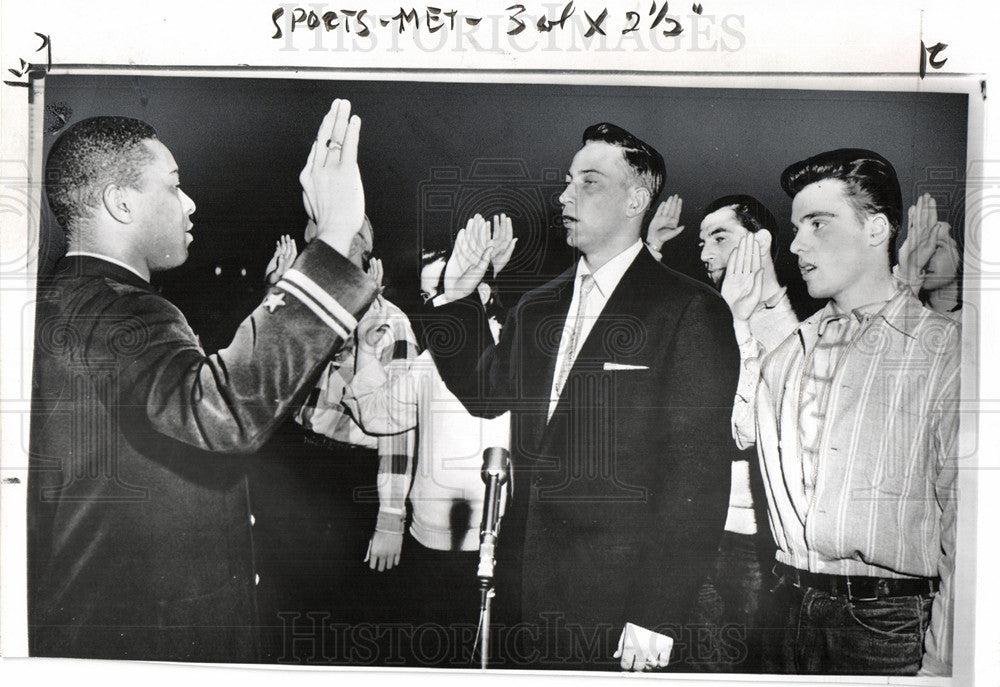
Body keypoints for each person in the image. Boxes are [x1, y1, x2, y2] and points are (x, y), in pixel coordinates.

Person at [28, 100, 377, 662]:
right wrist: (334, 235)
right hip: (152, 641)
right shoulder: (123, 313)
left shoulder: (62, 302)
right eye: (174, 184)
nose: (190, 203)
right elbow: (224, 412)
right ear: (121, 203)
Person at [424, 123, 740, 671]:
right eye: (568, 181)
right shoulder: (536, 307)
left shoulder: (689, 309)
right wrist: (457, 295)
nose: (565, 196)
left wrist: (656, 612)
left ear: (636, 200)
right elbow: (484, 394)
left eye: (589, 183)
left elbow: (697, 476)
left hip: (620, 602)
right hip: (528, 589)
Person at [751, 149, 959, 676]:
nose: (796, 245)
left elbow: (971, 530)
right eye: (796, 227)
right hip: (780, 612)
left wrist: (944, 663)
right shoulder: (783, 357)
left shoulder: (947, 351)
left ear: (877, 229)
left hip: (888, 625)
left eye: (818, 223)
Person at [340, 221, 514, 667]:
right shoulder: (427, 361)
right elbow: (379, 416)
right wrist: (364, 351)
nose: (434, 304)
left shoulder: (517, 353)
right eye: (428, 294)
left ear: (481, 291)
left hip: (498, 547)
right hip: (428, 544)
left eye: (444, 287)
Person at [649, 194, 799, 672]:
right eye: (701, 241)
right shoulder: (709, 313)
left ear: (761, 242)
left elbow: (745, 430)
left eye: (720, 238)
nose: (704, 253)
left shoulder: (795, 332)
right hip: (695, 531)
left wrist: (734, 321)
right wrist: (650, 251)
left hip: (754, 545)